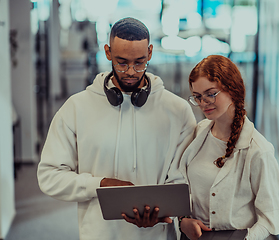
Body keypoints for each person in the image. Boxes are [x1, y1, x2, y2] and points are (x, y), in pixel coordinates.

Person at [37, 17, 196, 240]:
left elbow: (185, 180)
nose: (131, 71)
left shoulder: (178, 111)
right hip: (98, 234)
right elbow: (49, 177)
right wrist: (99, 185)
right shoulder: (76, 107)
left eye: (139, 62)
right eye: (122, 62)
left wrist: (164, 211)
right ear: (108, 52)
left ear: (150, 53)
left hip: (158, 235)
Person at [178, 55, 279, 240]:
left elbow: (270, 219)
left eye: (211, 94)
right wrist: (183, 220)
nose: (203, 103)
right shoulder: (199, 132)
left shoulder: (258, 150)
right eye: (197, 97)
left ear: (232, 90)